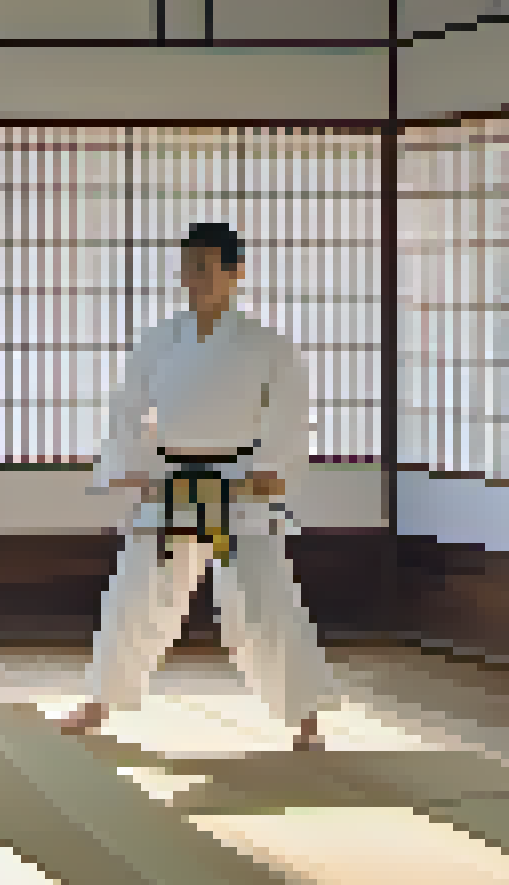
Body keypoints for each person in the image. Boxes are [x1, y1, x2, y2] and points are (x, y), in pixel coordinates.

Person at [58, 222, 343, 752]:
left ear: (235, 273)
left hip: (238, 483)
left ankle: (306, 717)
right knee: (134, 593)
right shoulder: (161, 340)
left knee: (263, 598)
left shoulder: (268, 348)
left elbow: (289, 419)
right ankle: (100, 699)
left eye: (205, 268)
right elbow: (128, 408)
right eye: (187, 267)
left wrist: (271, 473)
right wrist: (131, 468)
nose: (193, 279)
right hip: (171, 480)